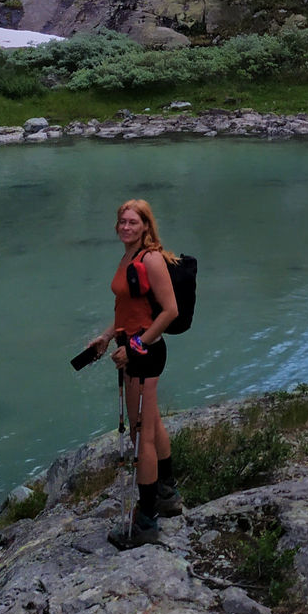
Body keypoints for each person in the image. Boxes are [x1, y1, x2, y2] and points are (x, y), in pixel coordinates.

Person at [88, 197, 182, 546]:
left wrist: (134, 347)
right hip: (131, 348)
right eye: (122, 222)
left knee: (140, 434)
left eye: (133, 222)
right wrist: (108, 337)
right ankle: (168, 494)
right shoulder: (129, 256)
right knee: (152, 424)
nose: (126, 227)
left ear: (146, 225)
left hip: (145, 353)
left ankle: (146, 521)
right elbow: (128, 308)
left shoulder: (151, 259)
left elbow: (169, 311)